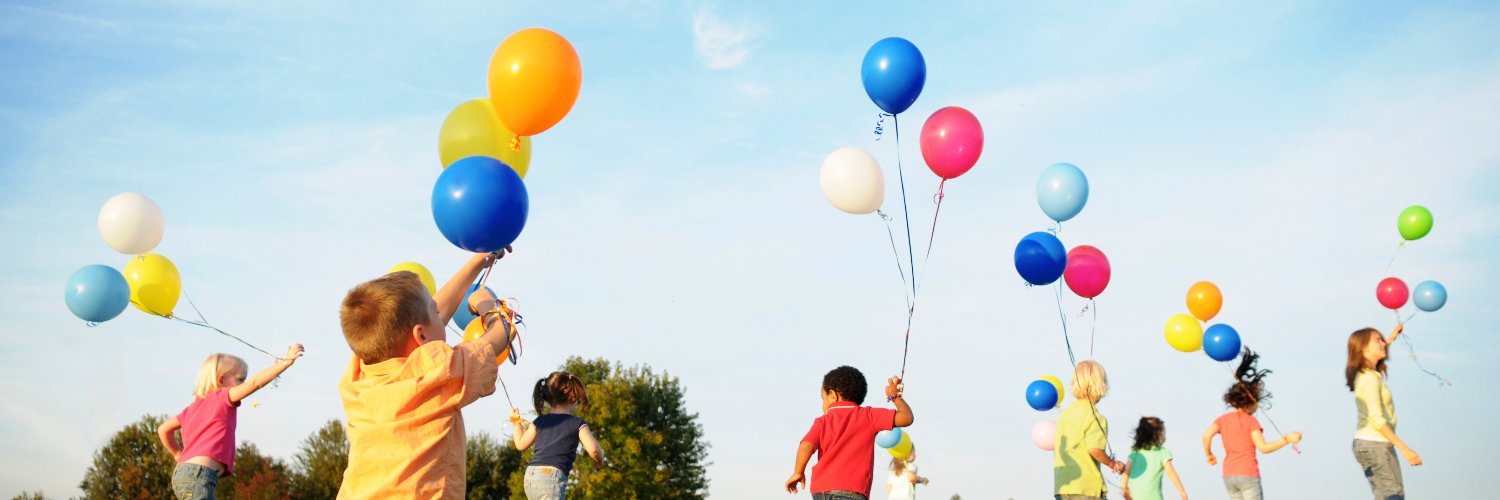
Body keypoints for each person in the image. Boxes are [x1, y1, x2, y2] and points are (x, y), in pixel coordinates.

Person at [336, 249, 517, 499]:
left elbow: (424, 322)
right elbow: (500, 335)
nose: (440, 315)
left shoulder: (357, 376)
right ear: (421, 336)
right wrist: (487, 305)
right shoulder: (437, 371)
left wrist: (477, 262)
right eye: (434, 311)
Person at [157, 346, 304, 499]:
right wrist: (285, 363)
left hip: (186, 472)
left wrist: (177, 454)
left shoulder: (192, 408)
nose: (243, 385)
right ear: (221, 380)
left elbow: (163, 429)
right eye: (240, 379)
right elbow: (255, 383)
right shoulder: (222, 397)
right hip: (199, 474)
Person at [786, 366, 914, 499]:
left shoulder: (822, 421)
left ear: (833, 396)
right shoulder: (869, 416)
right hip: (851, 492)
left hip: (821, 491)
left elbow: (806, 445)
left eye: (823, 398)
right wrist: (895, 396)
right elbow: (907, 417)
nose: (822, 403)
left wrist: (798, 472)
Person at [1203, 348, 1302, 500]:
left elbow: (1206, 435)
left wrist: (1209, 454)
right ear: (1251, 402)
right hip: (1248, 474)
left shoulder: (1222, 420)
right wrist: (1287, 439)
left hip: (1229, 476)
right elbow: (1264, 448)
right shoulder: (1251, 422)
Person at [1347, 324, 1420, 499]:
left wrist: (1391, 338)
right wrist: (1405, 449)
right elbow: (1377, 419)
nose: (1382, 344)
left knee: (1385, 496)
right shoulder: (1369, 378)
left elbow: (1378, 351)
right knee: (1393, 496)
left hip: (1367, 444)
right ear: (1363, 348)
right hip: (1376, 444)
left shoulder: (1365, 373)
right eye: (1377, 340)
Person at [509, 371, 605, 499]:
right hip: (551, 477)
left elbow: (520, 444)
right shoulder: (577, 423)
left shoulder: (540, 421)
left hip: (531, 476)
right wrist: (600, 459)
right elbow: (593, 449)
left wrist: (516, 423)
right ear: (572, 396)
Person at [1054, 360, 1125, 500]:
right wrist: (1112, 463)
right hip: (1087, 487)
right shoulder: (1096, 417)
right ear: (1101, 385)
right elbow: (1094, 449)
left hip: (1063, 486)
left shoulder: (1065, 414)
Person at [1122, 416, 1187, 500]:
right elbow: (1171, 473)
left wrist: (1124, 488)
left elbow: (1127, 472)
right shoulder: (1162, 452)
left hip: (1135, 496)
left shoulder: (1135, 452)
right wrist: (1182, 492)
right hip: (1153, 497)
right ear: (1157, 434)